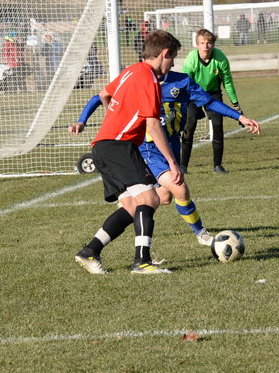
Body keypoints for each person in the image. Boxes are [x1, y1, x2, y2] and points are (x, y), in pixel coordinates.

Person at [71, 71, 260, 247]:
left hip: (171, 145)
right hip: (147, 146)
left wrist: (239, 117)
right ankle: (201, 233)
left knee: (165, 197)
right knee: (180, 188)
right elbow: (99, 97)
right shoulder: (138, 80)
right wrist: (82, 120)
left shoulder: (182, 81)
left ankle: (132, 203)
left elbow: (209, 102)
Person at [71, 29, 183, 275]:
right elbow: (153, 125)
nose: (173, 64)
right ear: (164, 53)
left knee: (132, 205)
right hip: (119, 146)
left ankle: (89, 251)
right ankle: (141, 262)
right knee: (151, 199)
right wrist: (172, 163)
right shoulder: (150, 80)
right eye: (173, 58)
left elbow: (104, 95)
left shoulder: (131, 70)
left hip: (102, 145)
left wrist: (117, 116)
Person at [180, 29, 243, 174]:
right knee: (189, 126)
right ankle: (183, 167)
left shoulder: (220, 58)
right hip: (194, 94)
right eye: (202, 43)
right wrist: (183, 105)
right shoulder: (191, 59)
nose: (206, 46)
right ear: (197, 45)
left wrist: (235, 104)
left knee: (218, 125)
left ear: (213, 44)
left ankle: (218, 166)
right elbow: (185, 83)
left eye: (209, 43)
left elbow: (227, 82)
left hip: (213, 94)